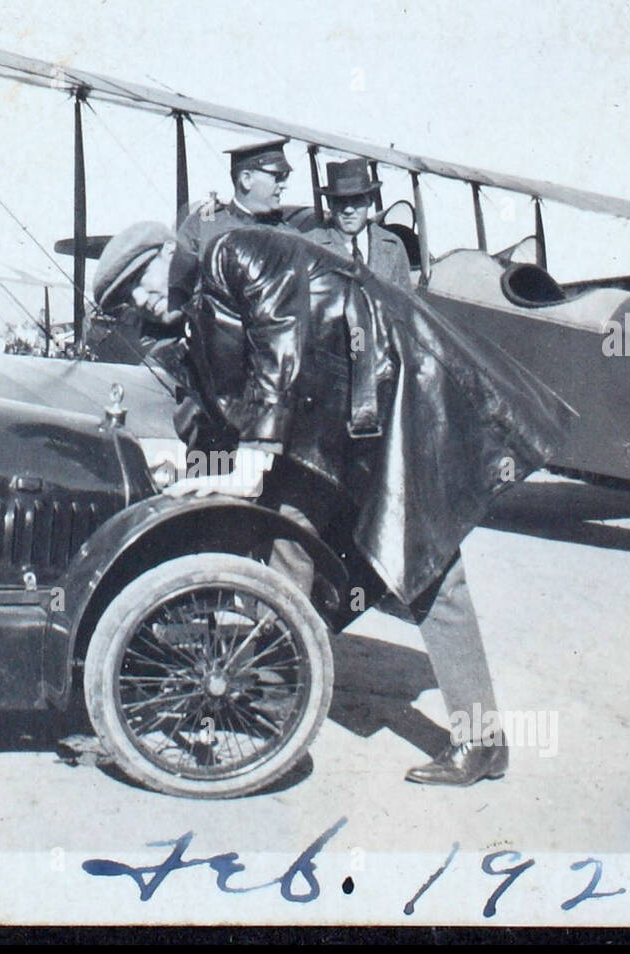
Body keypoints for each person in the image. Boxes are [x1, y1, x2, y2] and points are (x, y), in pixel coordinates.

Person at [93, 221, 573, 786]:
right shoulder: (194, 320)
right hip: (332, 432)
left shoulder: (234, 253)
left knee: (427, 567)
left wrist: (255, 452)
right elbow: (211, 408)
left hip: (399, 399)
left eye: (142, 281)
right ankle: (270, 692)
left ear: (169, 254)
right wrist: (191, 468)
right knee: (288, 542)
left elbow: (281, 345)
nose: (144, 301)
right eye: (129, 300)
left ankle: (483, 740)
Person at [175, 138, 313, 262]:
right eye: (277, 177)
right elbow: (176, 284)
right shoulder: (203, 226)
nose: (284, 185)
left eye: (285, 177)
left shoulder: (291, 236)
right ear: (246, 180)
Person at [304, 158, 411, 291]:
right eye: (340, 200)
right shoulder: (310, 246)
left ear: (370, 200)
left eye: (357, 199)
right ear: (329, 203)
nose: (348, 210)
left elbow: (405, 305)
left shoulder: (392, 246)